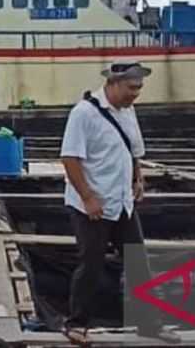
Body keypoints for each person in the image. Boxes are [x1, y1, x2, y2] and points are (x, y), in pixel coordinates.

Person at [60, 59, 180, 345]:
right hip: (92, 203)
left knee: (139, 264)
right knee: (91, 264)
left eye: (139, 88)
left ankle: (150, 324)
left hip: (122, 202)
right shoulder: (84, 114)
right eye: (131, 88)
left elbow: (133, 148)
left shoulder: (128, 111)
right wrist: (88, 197)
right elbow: (69, 157)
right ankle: (75, 324)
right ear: (112, 84)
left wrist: (138, 178)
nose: (135, 93)